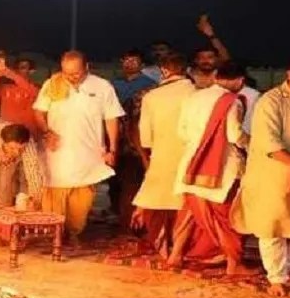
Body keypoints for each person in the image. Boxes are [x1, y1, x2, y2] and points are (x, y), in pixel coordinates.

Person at [233, 53, 290, 295]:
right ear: (289, 76)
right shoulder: (270, 102)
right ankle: (277, 277)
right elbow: (270, 145)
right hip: (273, 175)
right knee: (272, 226)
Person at [169, 62, 257, 275]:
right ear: (240, 81)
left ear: (217, 75)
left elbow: (182, 132)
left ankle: (175, 256)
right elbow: (235, 135)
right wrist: (254, 145)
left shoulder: (194, 97)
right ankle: (234, 265)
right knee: (226, 217)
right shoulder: (232, 101)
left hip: (191, 165)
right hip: (222, 170)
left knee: (189, 212)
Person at [33, 50, 125, 245]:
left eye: (76, 73)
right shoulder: (52, 83)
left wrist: (113, 149)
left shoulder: (102, 86)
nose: (71, 78)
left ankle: (74, 232)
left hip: (88, 152)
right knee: (54, 192)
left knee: (82, 198)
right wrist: (47, 132)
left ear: (87, 67)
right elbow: (39, 112)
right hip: (57, 152)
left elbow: (111, 118)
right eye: (67, 73)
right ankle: (54, 233)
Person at [131, 52, 196, 255]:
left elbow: (145, 138)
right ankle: (181, 250)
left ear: (164, 71)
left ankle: (163, 246)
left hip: (161, 155)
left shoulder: (151, 96)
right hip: (192, 156)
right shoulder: (197, 93)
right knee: (186, 205)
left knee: (156, 200)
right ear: (186, 70)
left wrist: (148, 154)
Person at [110, 49, 158, 223]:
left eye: (134, 60)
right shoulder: (113, 84)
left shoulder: (150, 85)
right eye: (126, 60)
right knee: (114, 178)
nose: (129, 63)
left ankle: (133, 217)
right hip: (117, 137)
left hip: (138, 139)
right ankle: (117, 211)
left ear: (142, 65)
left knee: (135, 177)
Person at [0, 54, 40, 133]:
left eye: (23, 67)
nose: (19, 70)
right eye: (17, 68)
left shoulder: (36, 87)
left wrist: (10, 74)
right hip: (7, 132)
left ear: (32, 71)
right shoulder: (6, 87)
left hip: (27, 132)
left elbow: (32, 92)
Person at [189, 15, 231, 89]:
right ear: (196, 60)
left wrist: (211, 35)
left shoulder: (221, 74)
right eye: (201, 57)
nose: (205, 61)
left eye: (210, 57)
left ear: (217, 59)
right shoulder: (189, 75)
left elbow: (226, 58)